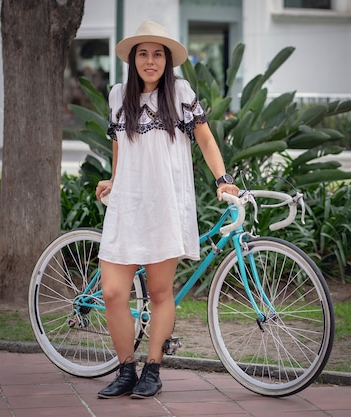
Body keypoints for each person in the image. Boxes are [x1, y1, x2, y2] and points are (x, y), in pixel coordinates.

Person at [94, 20, 239, 400]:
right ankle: (126, 369)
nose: (150, 60)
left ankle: (152, 369)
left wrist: (222, 179)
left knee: (160, 293)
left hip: (165, 204)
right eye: (143, 53)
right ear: (133, 60)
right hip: (127, 204)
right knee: (112, 292)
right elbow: (120, 145)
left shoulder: (180, 93)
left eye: (158, 54)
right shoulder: (117, 95)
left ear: (168, 60)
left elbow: (205, 140)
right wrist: (114, 177)